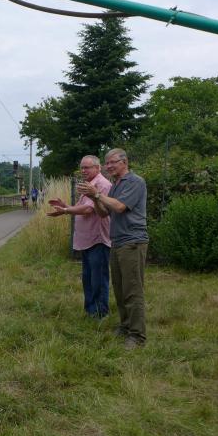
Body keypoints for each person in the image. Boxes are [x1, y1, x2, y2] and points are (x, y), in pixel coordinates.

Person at [79, 148, 149, 349]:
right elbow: (104, 214)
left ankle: (137, 335)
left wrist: (97, 193)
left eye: (112, 162)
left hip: (132, 242)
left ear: (124, 162)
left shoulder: (135, 181)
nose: (108, 166)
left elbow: (119, 207)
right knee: (119, 288)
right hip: (117, 242)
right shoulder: (115, 185)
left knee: (132, 289)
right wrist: (94, 198)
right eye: (107, 163)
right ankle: (125, 326)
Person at [47, 156, 112, 319]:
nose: (83, 170)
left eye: (87, 167)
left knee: (98, 278)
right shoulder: (89, 185)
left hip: (97, 239)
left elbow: (89, 210)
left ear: (98, 168)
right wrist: (65, 206)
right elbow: (82, 207)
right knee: (88, 277)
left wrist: (66, 211)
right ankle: (90, 310)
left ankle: (100, 313)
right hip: (88, 240)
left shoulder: (102, 184)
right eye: (82, 167)